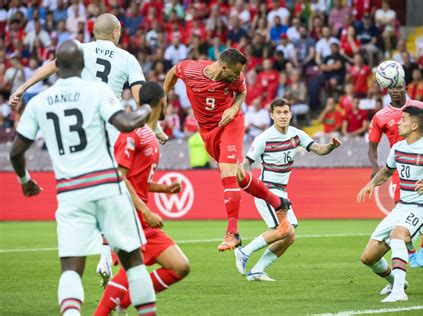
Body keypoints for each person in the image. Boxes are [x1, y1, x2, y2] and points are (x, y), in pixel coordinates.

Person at [9, 12, 169, 284]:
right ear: (117, 32)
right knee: (115, 188)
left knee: (79, 196)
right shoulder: (127, 58)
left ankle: (98, 252)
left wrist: (22, 88)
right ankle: (114, 255)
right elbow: (142, 95)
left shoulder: (79, 51)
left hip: (76, 133)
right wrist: (153, 125)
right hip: (110, 128)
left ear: (94, 32)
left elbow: (51, 67)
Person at [163, 48, 291, 251]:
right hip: (208, 131)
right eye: (234, 73)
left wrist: (234, 107)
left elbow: (242, 92)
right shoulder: (192, 70)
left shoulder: (236, 77)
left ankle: (233, 233)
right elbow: (173, 71)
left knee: (227, 173)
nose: (238, 77)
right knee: (239, 176)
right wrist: (164, 96)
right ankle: (278, 203)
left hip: (231, 123)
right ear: (223, 67)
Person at [95, 81, 190, 315]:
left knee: (180, 266)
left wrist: (164, 190)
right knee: (131, 269)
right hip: (129, 212)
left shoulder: (149, 135)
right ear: (162, 102)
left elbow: (138, 180)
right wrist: (146, 211)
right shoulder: (134, 132)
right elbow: (120, 175)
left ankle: (122, 302)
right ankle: (110, 308)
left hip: (140, 213)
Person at [358, 106, 423, 303]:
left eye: (403, 120)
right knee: (368, 257)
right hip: (401, 207)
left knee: (398, 235)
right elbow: (387, 172)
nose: (398, 122)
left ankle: (398, 293)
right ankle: (397, 281)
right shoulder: (397, 148)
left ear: (414, 126)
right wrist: (371, 184)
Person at [235, 98, 341, 281]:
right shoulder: (263, 138)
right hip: (267, 191)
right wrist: (253, 187)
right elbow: (246, 165)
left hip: (282, 192)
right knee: (285, 230)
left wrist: (331, 146)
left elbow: (318, 149)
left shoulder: (297, 135)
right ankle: (244, 252)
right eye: (278, 112)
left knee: (289, 236)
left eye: (285, 112)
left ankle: (257, 270)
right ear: (271, 115)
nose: (283, 116)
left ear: (291, 114)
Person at [368, 81, 423, 268]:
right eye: (391, 87)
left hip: (422, 164)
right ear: (387, 89)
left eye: (399, 87)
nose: (395, 91)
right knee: (401, 207)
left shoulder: (420, 107)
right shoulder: (380, 116)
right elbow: (372, 147)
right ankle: (411, 251)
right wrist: (374, 167)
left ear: (405, 87)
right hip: (398, 168)